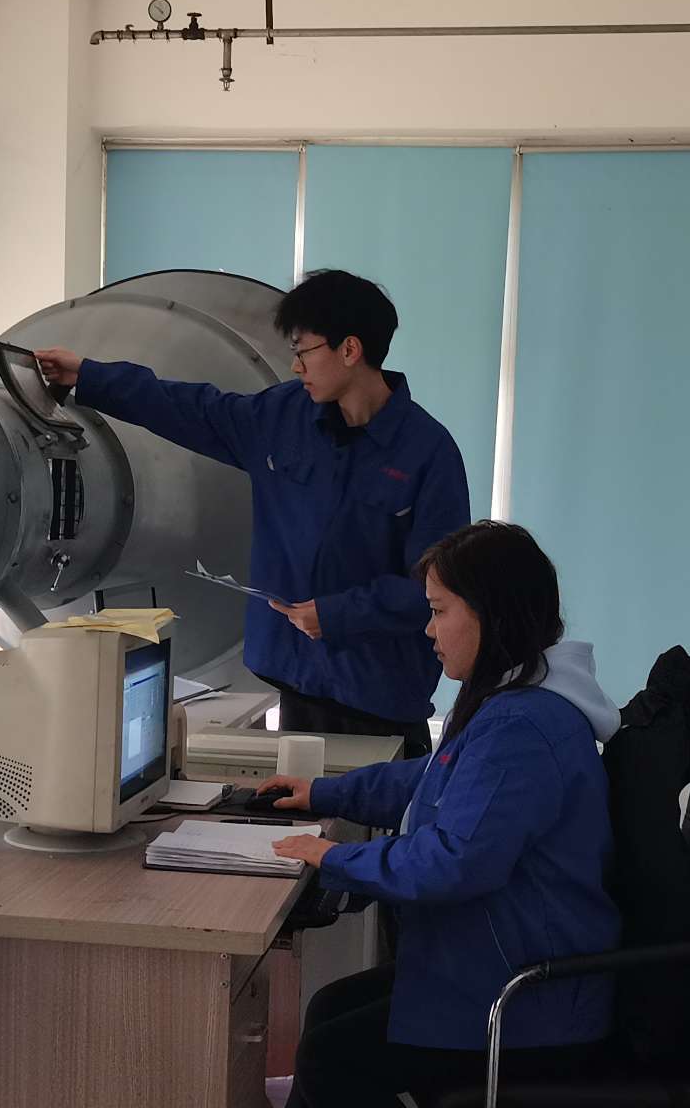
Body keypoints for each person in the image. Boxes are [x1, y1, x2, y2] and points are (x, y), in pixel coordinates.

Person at [252, 521, 622, 1108]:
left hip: (526, 994)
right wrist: (325, 794)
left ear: (491, 614)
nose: (428, 629)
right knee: (333, 1014)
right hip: (502, 960)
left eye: (440, 609)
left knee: (336, 1055)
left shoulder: (524, 726)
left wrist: (331, 858)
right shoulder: (519, 699)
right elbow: (434, 779)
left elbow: (452, 864)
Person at [34, 270, 469, 757]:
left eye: (304, 351)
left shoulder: (428, 453)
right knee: (302, 801)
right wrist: (88, 375)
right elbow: (190, 407)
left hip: (380, 694)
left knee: (381, 801)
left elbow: (437, 586)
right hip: (296, 681)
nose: (295, 366)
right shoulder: (282, 417)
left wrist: (337, 614)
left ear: (350, 350)